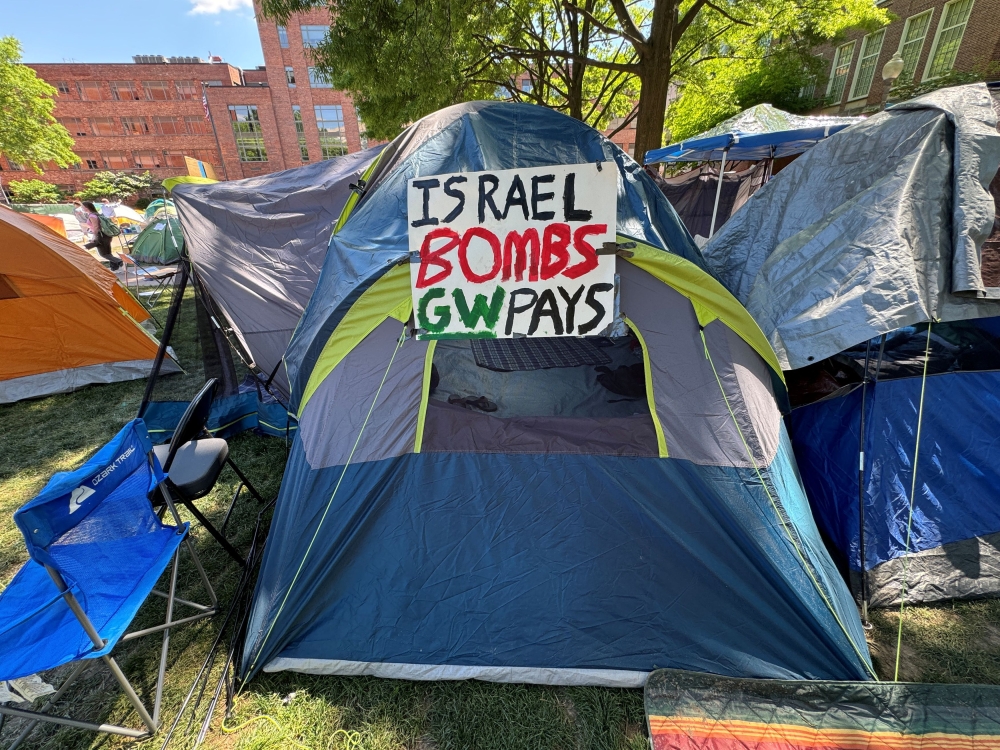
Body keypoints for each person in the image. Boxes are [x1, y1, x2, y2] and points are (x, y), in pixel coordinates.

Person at [82, 201, 122, 270]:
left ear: (86, 207)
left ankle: (119, 261)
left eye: (82, 207)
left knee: (103, 254)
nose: (82, 208)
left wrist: (94, 237)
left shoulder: (92, 216)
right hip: (106, 235)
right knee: (107, 253)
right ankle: (114, 266)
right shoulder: (97, 214)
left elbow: (96, 227)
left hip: (100, 236)